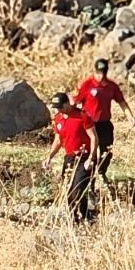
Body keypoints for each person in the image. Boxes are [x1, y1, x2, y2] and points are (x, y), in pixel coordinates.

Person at [73, 59, 135, 181]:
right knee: (91, 151)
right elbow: (75, 102)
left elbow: (121, 102)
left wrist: (130, 116)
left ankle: (101, 172)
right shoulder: (86, 84)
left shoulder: (111, 86)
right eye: (98, 73)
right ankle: (89, 177)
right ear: (94, 71)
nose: (100, 76)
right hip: (90, 124)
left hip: (105, 123)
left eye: (103, 73)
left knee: (107, 151)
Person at [43, 93, 100, 224]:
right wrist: (49, 157)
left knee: (77, 189)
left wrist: (91, 157)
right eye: (56, 108)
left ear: (67, 104)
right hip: (69, 158)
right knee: (68, 190)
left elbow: (93, 137)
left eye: (60, 107)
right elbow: (58, 140)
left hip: (84, 157)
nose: (58, 110)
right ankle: (77, 220)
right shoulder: (58, 119)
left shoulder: (82, 116)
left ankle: (83, 218)